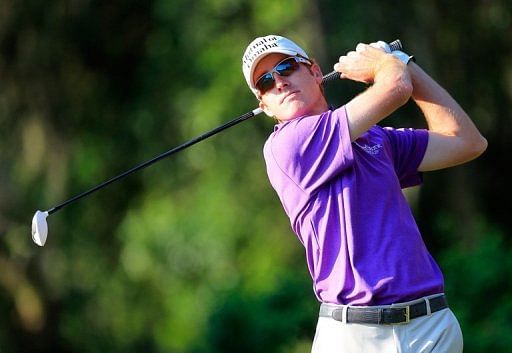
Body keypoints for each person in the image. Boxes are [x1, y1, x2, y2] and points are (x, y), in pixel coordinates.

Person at [241, 34, 487, 353]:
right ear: (264, 105)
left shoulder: (376, 140)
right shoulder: (287, 146)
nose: (279, 82)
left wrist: (406, 65)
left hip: (431, 329)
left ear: (315, 71)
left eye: (286, 67)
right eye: (264, 81)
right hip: (354, 336)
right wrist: (385, 64)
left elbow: (466, 141)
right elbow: (394, 89)